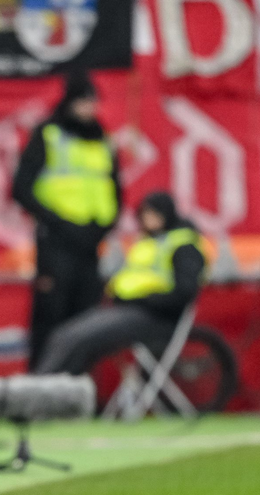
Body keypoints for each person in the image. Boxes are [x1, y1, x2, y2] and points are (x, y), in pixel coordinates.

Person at [12, 71, 122, 369]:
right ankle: (43, 384)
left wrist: (102, 227)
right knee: (51, 313)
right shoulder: (49, 134)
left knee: (86, 318)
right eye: (83, 101)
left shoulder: (102, 139)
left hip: (91, 244)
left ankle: (79, 383)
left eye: (93, 102)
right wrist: (57, 223)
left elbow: (114, 188)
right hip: (56, 242)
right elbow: (22, 188)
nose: (89, 108)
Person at [35, 192, 205, 376]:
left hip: (156, 317)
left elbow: (184, 292)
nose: (148, 220)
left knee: (81, 339)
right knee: (63, 335)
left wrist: (143, 300)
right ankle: (44, 384)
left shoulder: (183, 246)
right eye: (145, 214)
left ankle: (54, 385)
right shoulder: (148, 242)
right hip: (128, 310)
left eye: (154, 214)